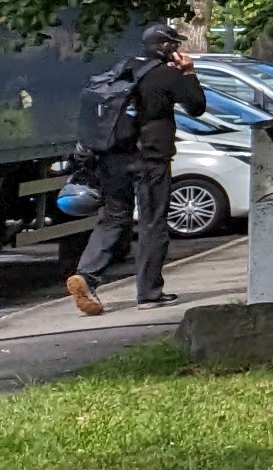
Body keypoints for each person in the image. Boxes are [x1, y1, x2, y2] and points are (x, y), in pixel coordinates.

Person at [65, 20, 207, 316]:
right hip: (150, 160)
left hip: (112, 158)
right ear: (165, 47)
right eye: (174, 44)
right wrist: (188, 72)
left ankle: (87, 275)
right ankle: (149, 293)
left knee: (113, 218)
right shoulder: (167, 75)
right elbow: (196, 106)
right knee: (152, 223)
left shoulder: (123, 70)